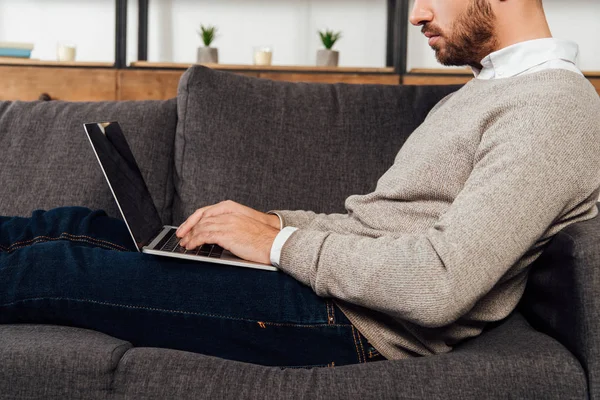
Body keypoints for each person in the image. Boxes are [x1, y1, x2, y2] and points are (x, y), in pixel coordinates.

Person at [1, 0, 599, 368]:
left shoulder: (551, 106)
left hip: (354, 325)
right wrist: (271, 224)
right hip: (338, 291)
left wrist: (278, 246)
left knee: (55, 265)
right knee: (74, 226)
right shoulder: (492, 90)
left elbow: (438, 285)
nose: (416, 14)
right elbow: (380, 227)